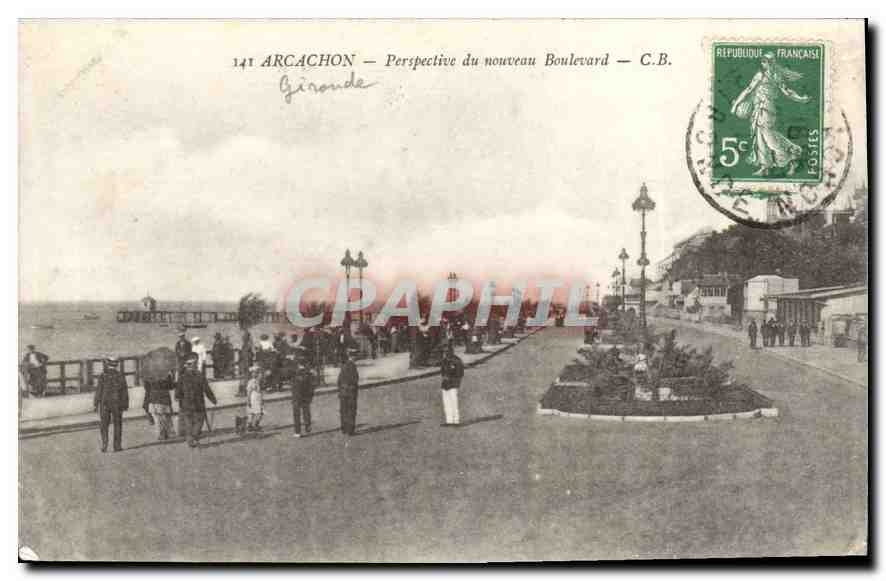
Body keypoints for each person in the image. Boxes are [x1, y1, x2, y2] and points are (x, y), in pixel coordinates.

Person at [730, 52, 811, 176]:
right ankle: (765, 166)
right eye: (762, 61)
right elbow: (749, 90)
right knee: (760, 138)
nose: (763, 64)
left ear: (771, 62)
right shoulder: (760, 75)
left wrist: (800, 98)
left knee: (770, 139)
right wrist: (736, 104)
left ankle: (791, 158)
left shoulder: (775, 76)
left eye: (765, 61)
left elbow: (787, 91)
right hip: (757, 110)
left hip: (767, 110)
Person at [175, 353, 218, 447]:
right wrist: (213, 399)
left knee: (189, 423)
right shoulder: (199, 375)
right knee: (198, 422)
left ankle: (191, 439)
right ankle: (193, 438)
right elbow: (207, 389)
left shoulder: (182, 377)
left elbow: (178, 391)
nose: (194, 366)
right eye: (194, 364)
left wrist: (178, 398)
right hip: (197, 404)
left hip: (187, 405)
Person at [93, 357, 129, 452]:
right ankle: (117, 446)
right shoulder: (120, 375)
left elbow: (99, 390)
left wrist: (96, 403)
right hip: (117, 403)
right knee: (117, 424)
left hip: (105, 403)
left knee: (104, 424)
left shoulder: (103, 375)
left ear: (108, 364)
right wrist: (125, 404)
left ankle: (104, 445)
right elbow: (124, 391)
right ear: (116, 364)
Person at [144, 372, 175, 441]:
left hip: (154, 399)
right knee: (165, 418)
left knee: (157, 419)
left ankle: (161, 434)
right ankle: (165, 433)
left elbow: (146, 387)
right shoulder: (166, 375)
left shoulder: (149, 375)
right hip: (164, 399)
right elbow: (171, 386)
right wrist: (170, 377)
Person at [291, 351, 315, 438]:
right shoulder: (308, 373)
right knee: (306, 411)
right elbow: (312, 385)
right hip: (306, 396)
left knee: (296, 414)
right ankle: (307, 425)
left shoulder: (294, 372)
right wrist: (311, 395)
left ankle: (297, 431)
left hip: (296, 396)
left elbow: (293, 385)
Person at [440, 343, 465, 426]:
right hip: (445, 384)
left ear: (451, 351)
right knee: (446, 403)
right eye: (444, 351)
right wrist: (444, 377)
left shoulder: (457, 361)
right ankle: (449, 420)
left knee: (454, 402)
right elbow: (442, 372)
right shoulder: (444, 360)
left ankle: (456, 420)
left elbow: (460, 374)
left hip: (453, 384)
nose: (445, 353)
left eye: (447, 351)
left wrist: (455, 383)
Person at [337, 350, 359, 436]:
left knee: (343, 410)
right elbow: (354, 380)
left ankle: (343, 428)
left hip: (343, 391)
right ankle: (350, 430)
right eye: (355, 356)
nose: (356, 358)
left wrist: (340, 390)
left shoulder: (343, 366)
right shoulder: (353, 366)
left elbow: (339, 380)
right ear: (353, 357)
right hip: (351, 391)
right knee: (351, 410)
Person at [245, 366, 263, 431]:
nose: (260, 375)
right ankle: (253, 425)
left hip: (257, 398)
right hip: (253, 399)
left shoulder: (258, 381)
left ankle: (252, 425)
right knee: (257, 413)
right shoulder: (251, 382)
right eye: (257, 373)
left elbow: (259, 391)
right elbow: (249, 392)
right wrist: (248, 400)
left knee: (256, 412)